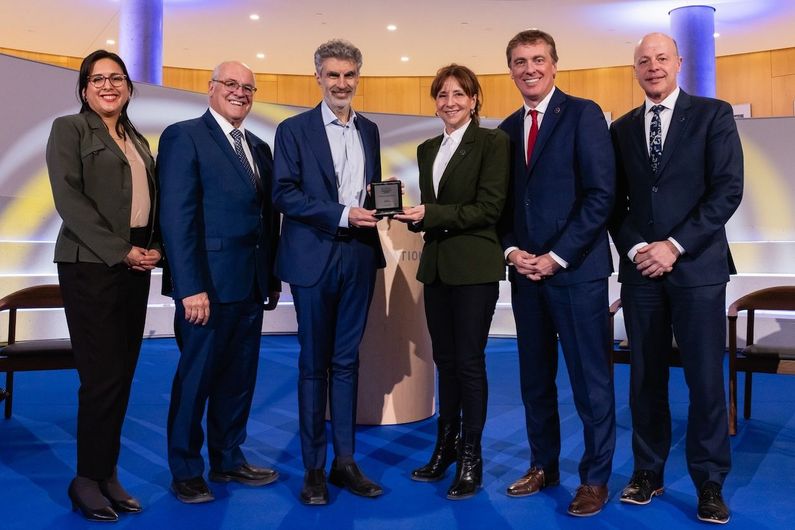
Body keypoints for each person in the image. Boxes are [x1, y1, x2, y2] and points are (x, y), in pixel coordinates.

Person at [609, 32, 743, 525]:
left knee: (706, 380)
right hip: (641, 273)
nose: (653, 66)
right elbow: (612, 202)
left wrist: (675, 245)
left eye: (661, 58)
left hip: (697, 269)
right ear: (635, 69)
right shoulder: (621, 129)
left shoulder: (713, 115)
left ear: (679, 62)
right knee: (644, 379)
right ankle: (648, 471)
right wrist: (639, 247)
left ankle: (709, 481)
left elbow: (727, 190)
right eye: (644, 60)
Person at [498, 30, 616, 517]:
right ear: (510, 70)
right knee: (535, 380)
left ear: (554, 65)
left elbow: (600, 194)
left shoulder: (584, 114)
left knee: (590, 382)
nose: (530, 68)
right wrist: (511, 251)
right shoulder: (505, 128)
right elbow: (503, 204)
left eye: (538, 59)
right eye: (520, 61)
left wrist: (557, 255)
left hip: (576, 272)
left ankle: (594, 479)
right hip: (527, 277)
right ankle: (542, 464)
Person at [158, 61, 281, 504]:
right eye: (231, 84)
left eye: (248, 87)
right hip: (204, 288)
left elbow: (268, 219)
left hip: (248, 285)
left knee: (238, 379)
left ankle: (228, 457)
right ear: (211, 88)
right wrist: (190, 286)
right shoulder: (182, 135)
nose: (240, 92)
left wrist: (269, 280)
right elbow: (177, 216)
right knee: (196, 381)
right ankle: (186, 469)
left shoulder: (260, 148)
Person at [46, 49, 160, 522]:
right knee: (100, 377)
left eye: (117, 78)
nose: (108, 86)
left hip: (133, 263)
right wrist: (121, 250)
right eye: (98, 79)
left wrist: (154, 248)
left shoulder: (137, 138)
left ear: (130, 87)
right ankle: (86, 480)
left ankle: (107, 471)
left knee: (123, 372)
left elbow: (150, 201)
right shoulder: (69, 129)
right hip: (91, 262)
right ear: (84, 88)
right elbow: (69, 199)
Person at [272, 39, 385, 505]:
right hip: (312, 258)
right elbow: (284, 193)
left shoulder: (371, 130)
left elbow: (372, 190)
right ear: (317, 77)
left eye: (349, 75)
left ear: (358, 77)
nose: (342, 83)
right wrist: (343, 214)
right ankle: (313, 469)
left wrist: (383, 208)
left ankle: (345, 461)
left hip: (358, 257)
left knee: (346, 363)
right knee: (313, 365)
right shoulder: (293, 129)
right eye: (333, 75)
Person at [394, 64, 509, 500]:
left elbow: (489, 209)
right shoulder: (427, 148)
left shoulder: (493, 143)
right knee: (444, 361)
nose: (450, 102)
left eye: (460, 94)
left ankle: (471, 459)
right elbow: (436, 208)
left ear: (475, 99)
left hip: (475, 267)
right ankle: (444, 448)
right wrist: (413, 214)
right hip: (438, 267)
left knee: (469, 362)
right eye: (442, 94)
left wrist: (432, 214)